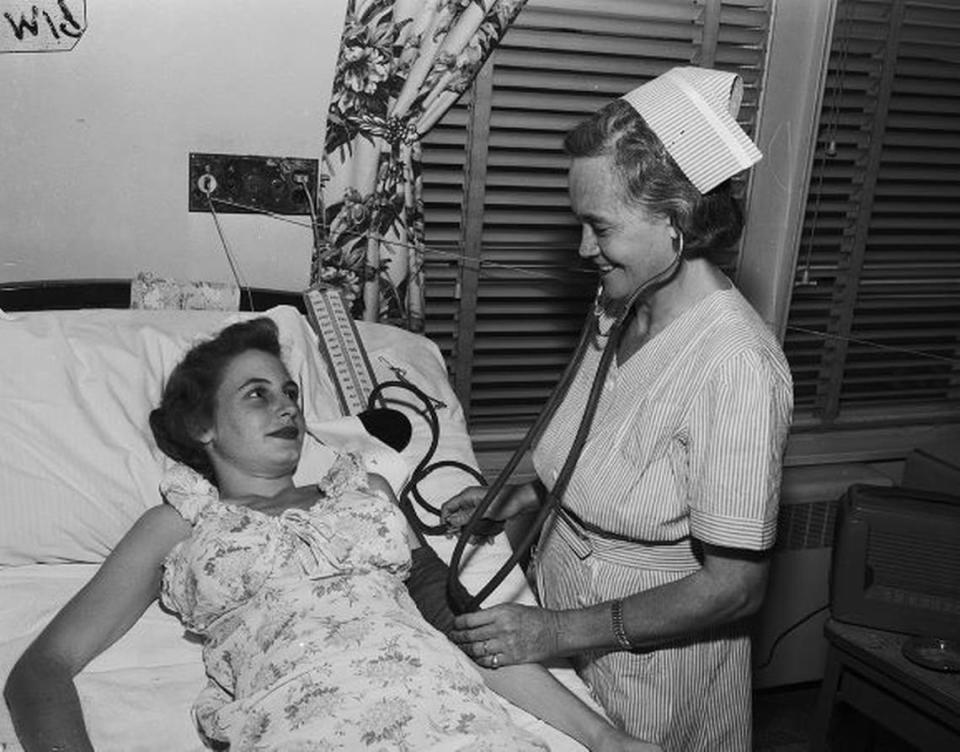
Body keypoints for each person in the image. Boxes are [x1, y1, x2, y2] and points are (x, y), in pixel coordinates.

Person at [4, 317, 660, 752]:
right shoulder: (179, 524)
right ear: (203, 426)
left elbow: (467, 629)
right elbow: (41, 672)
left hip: (455, 725)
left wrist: (605, 740)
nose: (288, 405)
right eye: (256, 395)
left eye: (289, 391)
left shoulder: (365, 495)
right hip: (306, 728)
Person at [441, 66, 794, 751]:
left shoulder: (736, 367)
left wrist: (556, 632)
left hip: (655, 676)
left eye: (598, 227)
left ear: (680, 221)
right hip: (565, 622)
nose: (581, 249)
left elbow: (734, 589)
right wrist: (523, 496)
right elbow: (613, 447)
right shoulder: (620, 301)